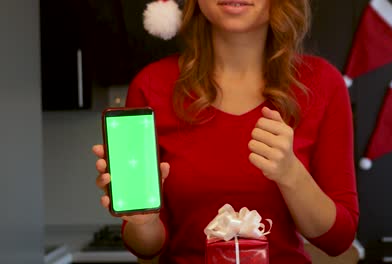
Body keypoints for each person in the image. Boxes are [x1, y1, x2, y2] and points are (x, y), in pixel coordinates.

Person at [93, 0, 359, 263]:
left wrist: (291, 174)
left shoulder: (323, 84)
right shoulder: (151, 85)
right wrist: (143, 223)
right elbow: (146, 248)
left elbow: (337, 240)